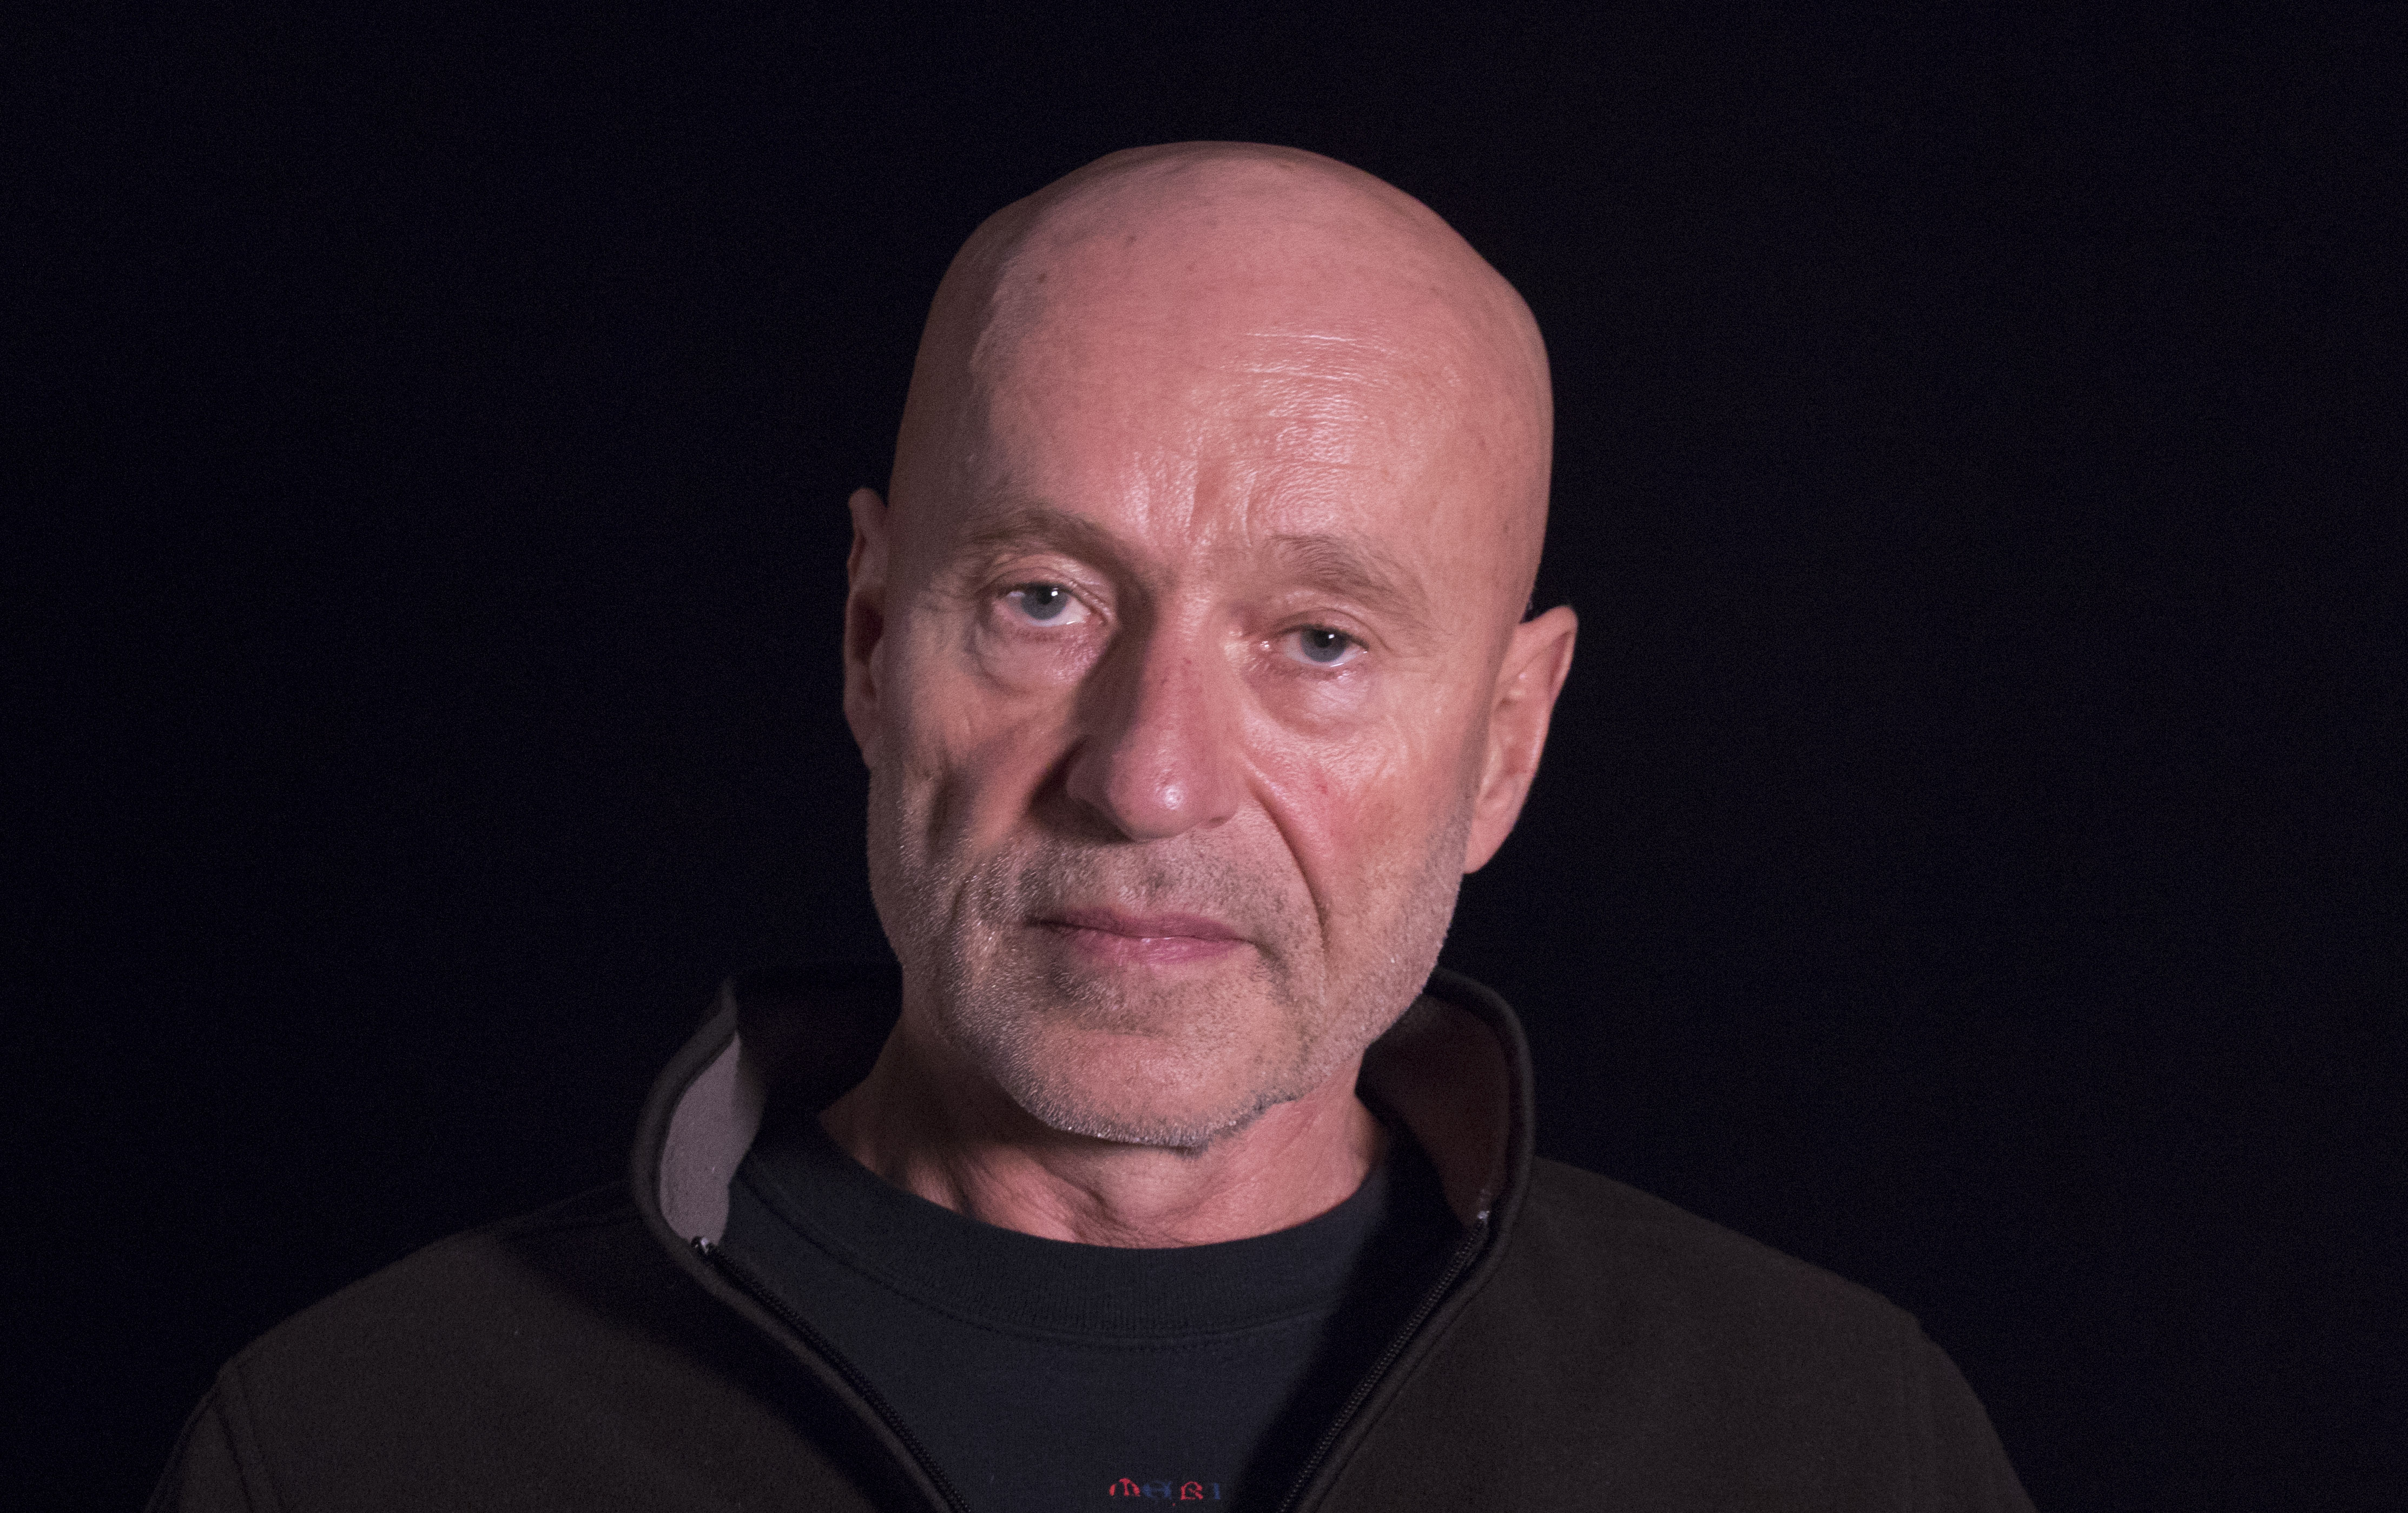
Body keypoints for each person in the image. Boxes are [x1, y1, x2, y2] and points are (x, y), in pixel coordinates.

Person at [151, 143, 2033, 1512]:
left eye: (1317, 639)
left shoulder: (1830, 1444)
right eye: (1044, 599)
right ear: (872, 641)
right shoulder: (358, 1445)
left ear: (1503, 743)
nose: (1148, 777)